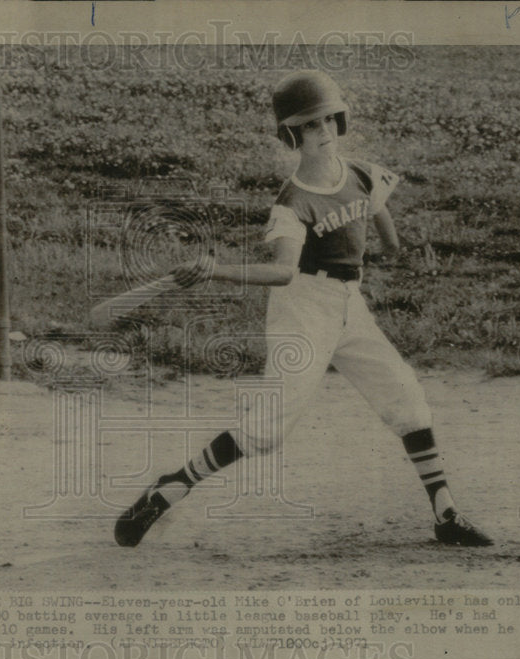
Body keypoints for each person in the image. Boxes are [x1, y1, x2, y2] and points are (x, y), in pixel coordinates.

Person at [114, 70, 492, 548]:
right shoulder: (291, 204)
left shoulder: (361, 173)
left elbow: (386, 232)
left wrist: (393, 245)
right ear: (291, 135)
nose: (324, 132)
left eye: (330, 120)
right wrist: (217, 269)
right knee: (265, 431)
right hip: (303, 310)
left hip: (348, 304)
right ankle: (171, 488)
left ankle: (446, 515)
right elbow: (283, 272)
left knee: (407, 398)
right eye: (311, 126)